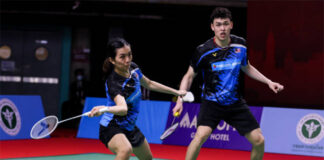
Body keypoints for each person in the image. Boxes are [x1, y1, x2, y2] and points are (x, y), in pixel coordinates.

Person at [172, 7, 284, 160]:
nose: (222, 28)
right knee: (200, 136)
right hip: (211, 102)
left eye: (225, 24)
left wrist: (268, 82)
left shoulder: (241, 45)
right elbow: (189, 76)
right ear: (212, 27)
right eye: (218, 25)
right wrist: (180, 99)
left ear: (231, 24)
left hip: (235, 103)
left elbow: (246, 67)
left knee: (259, 140)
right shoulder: (203, 51)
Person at [88, 38, 186, 160]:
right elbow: (123, 108)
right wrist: (104, 109)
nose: (128, 60)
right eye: (122, 57)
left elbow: (149, 83)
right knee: (125, 150)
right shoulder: (114, 82)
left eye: (129, 55)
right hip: (111, 126)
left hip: (129, 126)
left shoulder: (133, 68)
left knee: (147, 158)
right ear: (112, 60)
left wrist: (176, 92)